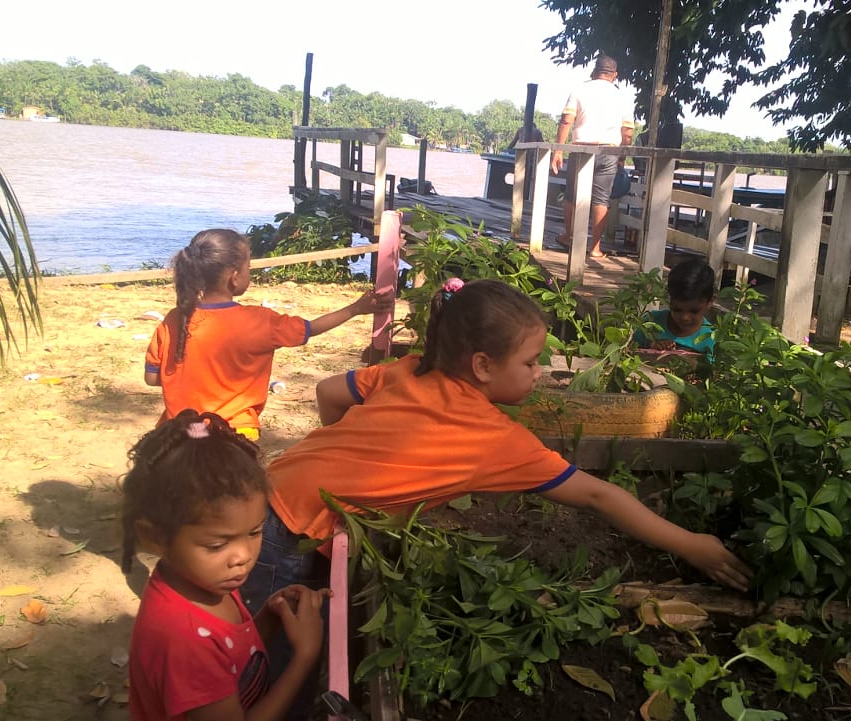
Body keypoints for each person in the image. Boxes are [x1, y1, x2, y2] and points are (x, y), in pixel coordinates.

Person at [242, 279, 751, 614]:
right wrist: (693, 545)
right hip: (285, 535)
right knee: (266, 654)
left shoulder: (410, 368)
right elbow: (599, 496)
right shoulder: (495, 439)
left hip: (269, 487)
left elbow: (328, 393)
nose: (537, 374)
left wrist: (352, 468)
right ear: (483, 366)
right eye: (531, 363)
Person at [121, 410, 331, 721]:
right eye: (218, 545)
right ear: (155, 537)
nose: (243, 556)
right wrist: (304, 656)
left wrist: (269, 618)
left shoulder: (203, 579)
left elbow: (232, 653)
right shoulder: (185, 641)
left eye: (256, 532)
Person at [145, 228, 387, 441]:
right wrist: (356, 309)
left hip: (181, 429)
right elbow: (310, 329)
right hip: (233, 431)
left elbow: (153, 378)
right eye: (248, 266)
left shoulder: (174, 319)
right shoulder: (260, 321)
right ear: (234, 277)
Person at [549, 54, 636, 259]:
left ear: (594, 71)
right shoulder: (622, 97)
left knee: (572, 195)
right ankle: (595, 248)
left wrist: (558, 150)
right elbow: (628, 132)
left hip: (581, 149)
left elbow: (566, 121)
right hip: (609, 151)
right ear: (615, 75)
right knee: (601, 199)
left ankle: (569, 236)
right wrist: (622, 156)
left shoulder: (580, 89)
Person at [635, 258, 718, 357]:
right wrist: (651, 345)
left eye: (694, 311)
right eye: (677, 310)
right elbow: (629, 349)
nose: (685, 317)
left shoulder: (711, 339)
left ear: (711, 301)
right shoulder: (650, 323)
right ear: (668, 298)